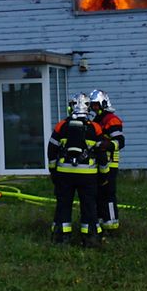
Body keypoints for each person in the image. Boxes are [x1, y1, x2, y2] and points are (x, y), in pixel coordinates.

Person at [47, 93, 106, 247]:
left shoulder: (61, 125)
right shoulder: (95, 127)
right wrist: (104, 174)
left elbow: (51, 149)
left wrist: (53, 171)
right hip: (88, 175)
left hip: (64, 174)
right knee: (88, 206)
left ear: (71, 107)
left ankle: (61, 237)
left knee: (63, 204)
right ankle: (90, 238)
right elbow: (101, 152)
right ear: (88, 108)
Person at [89, 89, 125, 235]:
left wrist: (107, 145)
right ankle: (101, 224)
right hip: (99, 163)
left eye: (96, 104)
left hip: (110, 163)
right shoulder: (96, 120)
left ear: (103, 103)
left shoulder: (111, 119)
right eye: (92, 105)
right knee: (98, 195)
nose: (94, 107)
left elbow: (120, 141)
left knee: (108, 194)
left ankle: (112, 226)